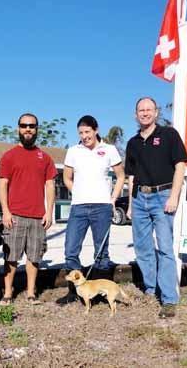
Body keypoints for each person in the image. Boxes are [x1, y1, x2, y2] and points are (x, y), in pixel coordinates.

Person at [124, 97, 187, 318]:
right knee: (142, 248)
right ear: (135, 114)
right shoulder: (132, 143)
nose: (145, 113)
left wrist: (174, 196)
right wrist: (131, 205)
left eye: (149, 109)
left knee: (165, 248)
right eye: (141, 110)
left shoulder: (169, 135)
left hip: (163, 197)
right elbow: (131, 177)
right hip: (140, 199)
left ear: (156, 112)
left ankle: (169, 299)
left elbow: (180, 166)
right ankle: (151, 289)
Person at [56, 115, 125, 305]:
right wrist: (76, 191)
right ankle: (74, 292)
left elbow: (120, 176)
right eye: (80, 132)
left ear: (96, 130)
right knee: (71, 250)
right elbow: (67, 178)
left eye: (87, 131)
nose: (84, 136)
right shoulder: (73, 151)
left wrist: (113, 199)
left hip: (102, 207)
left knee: (101, 253)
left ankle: (100, 293)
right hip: (78, 207)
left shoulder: (109, 150)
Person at [0, 113, 57, 305]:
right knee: (11, 257)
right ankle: (7, 293)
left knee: (35, 256)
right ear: (18, 129)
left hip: (38, 216)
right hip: (15, 216)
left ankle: (31, 293)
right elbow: (3, 185)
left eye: (31, 126)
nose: (28, 129)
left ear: (37, 129)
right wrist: (5, 211)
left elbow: (50, 185)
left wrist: (49, 211)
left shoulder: (45, 158)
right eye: (24, 125)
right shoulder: (9, 156)